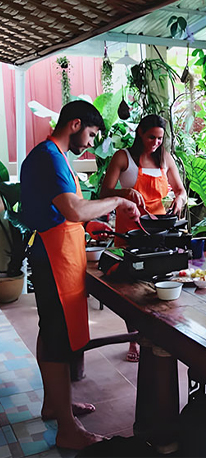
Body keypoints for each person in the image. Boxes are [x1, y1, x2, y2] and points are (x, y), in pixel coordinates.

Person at [20, 100, 140, 449]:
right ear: (74, 125)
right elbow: (72, 208)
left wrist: (93, 221)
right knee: (58, 339)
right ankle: (68, 430)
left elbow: (64, 209)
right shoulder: (49, 156)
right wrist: (117, 202)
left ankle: (53, 404)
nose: (90, 142)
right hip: (53, 259)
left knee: (51, 332)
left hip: (55, 253)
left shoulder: (51, 155)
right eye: (89, 134)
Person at [100, 114, 187, 362]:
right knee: (131, 289)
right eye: (151, 137)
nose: (155, 143)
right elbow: (104, 192)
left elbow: (180, 190)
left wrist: (179, 200)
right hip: (130, 232)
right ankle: (134, 338)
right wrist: (124, 192)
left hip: (159, 231)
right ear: (140, 132)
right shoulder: (123, 157)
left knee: (157, 283)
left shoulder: (164, 158)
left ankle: (157, 334)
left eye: (160, 138)